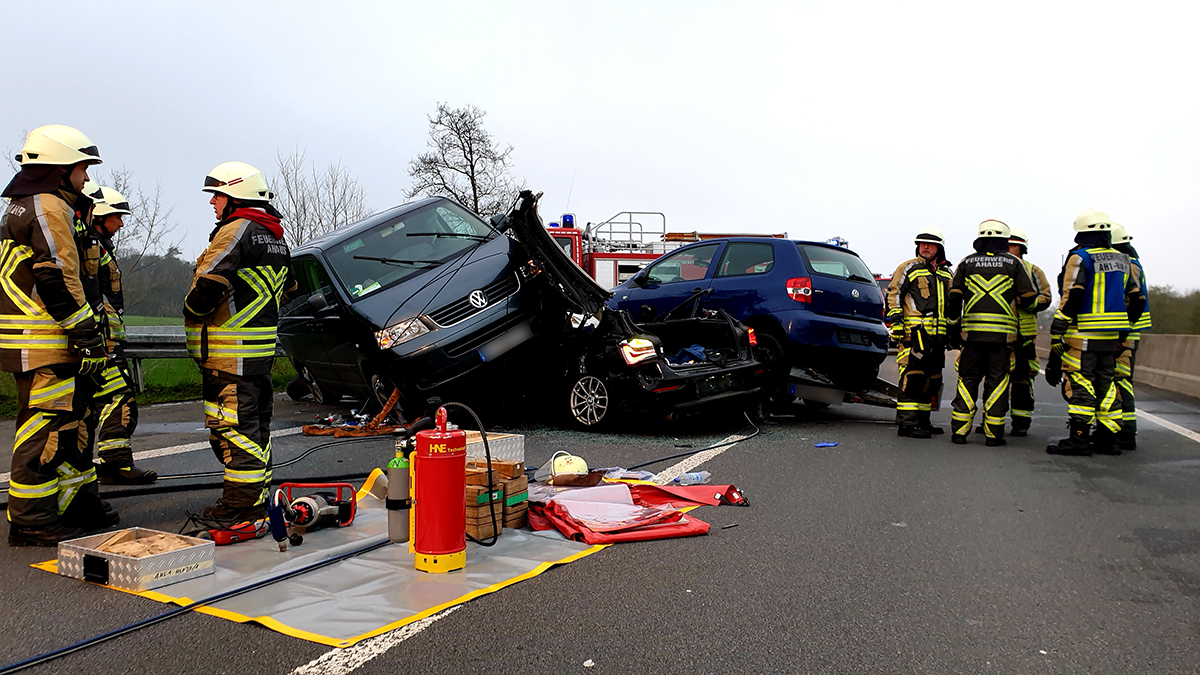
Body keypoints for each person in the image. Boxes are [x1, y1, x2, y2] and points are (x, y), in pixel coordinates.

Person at [1, 125, 117, 545]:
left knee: (73, 422)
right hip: (47, 341)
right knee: (46, 429)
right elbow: (57, 276)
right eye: (82, 168)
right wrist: (87, 333)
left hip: (43, 340)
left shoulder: (26, 205)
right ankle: (32, 519)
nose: (86, 177)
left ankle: (74, 504)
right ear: (60, 168)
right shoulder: (48, 207)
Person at [185, 161, 290, 522]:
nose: (212, 202)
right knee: (256, 430)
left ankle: (241, 507)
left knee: (236, 433)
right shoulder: (275, 236)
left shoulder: (235, 231)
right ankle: (257, 498)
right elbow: (288, 288)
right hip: (258, 354)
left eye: (217, 195)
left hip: (230, 357)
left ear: (235, 196)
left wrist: (191, 307)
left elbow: (209, 285)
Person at [1045, 209, 1144, 456]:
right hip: (1112, 338)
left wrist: (1058, 328)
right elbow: (1137, 299)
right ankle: (1107, 440)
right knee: (1107, 386)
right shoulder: (1123, 260)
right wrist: (1124, 328)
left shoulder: (1080, 258)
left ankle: (1078, 440)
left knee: (1080, 384)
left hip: (1083, 336)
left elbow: (1073, 294)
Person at [83, 183, 156, 483]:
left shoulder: (97, 246)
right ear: (100, 215)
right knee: (119, 399)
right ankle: (116, 463)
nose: (122, 223)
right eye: (117, 216)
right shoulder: (89, 247)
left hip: (102, 339)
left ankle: (91, 469)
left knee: (94, 405)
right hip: (101, 341)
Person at [947, 219, 1038, 446]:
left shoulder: (966, 263)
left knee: (967, 381)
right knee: (997, 384)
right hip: (1002, 339)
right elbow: (1029, 299)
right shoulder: (1014, 263)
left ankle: (959, 432)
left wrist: (954, 328)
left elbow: (954, 298)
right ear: (1004, 240)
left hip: (972, 336)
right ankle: (993, 435)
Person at [887, 226, 953, 438]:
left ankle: (923, 421)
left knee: (932, 380)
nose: (925, 247)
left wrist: (953, 331)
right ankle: (907, 425)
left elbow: (952, 304)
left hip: (938, 338)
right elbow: (894, 293)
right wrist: (896, 321)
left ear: (939, 248)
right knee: (912, 378)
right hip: (914, 335)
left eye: (930, 244)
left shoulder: (946, 273)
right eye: (922, 243)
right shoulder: (909, 267)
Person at [1005, 228, 1052, 437]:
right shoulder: (996, 268)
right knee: (994, 379)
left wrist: (1029, 302)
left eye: (1013, 245)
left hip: (1024, 335)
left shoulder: (1034, 270)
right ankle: (991, 420)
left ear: (1022, 248)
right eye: (1005, 245)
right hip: (1000, 334)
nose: (1009, 249)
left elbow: (1046, 297)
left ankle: (1021, 422)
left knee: (1022, 380)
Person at [1112, 222, 1150, 451]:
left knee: (1120, 379)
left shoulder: (1127, 266)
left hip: (1125, 332)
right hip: (1130, 331)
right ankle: (1125, 428)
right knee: (1122, 379)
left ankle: (1125, 430)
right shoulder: (1135, 264)